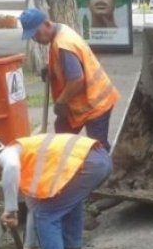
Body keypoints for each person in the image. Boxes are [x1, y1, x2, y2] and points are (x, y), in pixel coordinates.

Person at [19, 8, 119, 150]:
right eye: (32, 37)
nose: (35, 39)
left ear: (47, 24)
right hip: (81, 102)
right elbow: (68, 64)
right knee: (62, 132)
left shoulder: (63, 44)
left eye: (36, 34)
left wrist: (61, 101)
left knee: (97, 147)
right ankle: (67, 164)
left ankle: (106, 169)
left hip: (96, 103)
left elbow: (76, 80)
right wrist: (51, 67)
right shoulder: (61, 31)